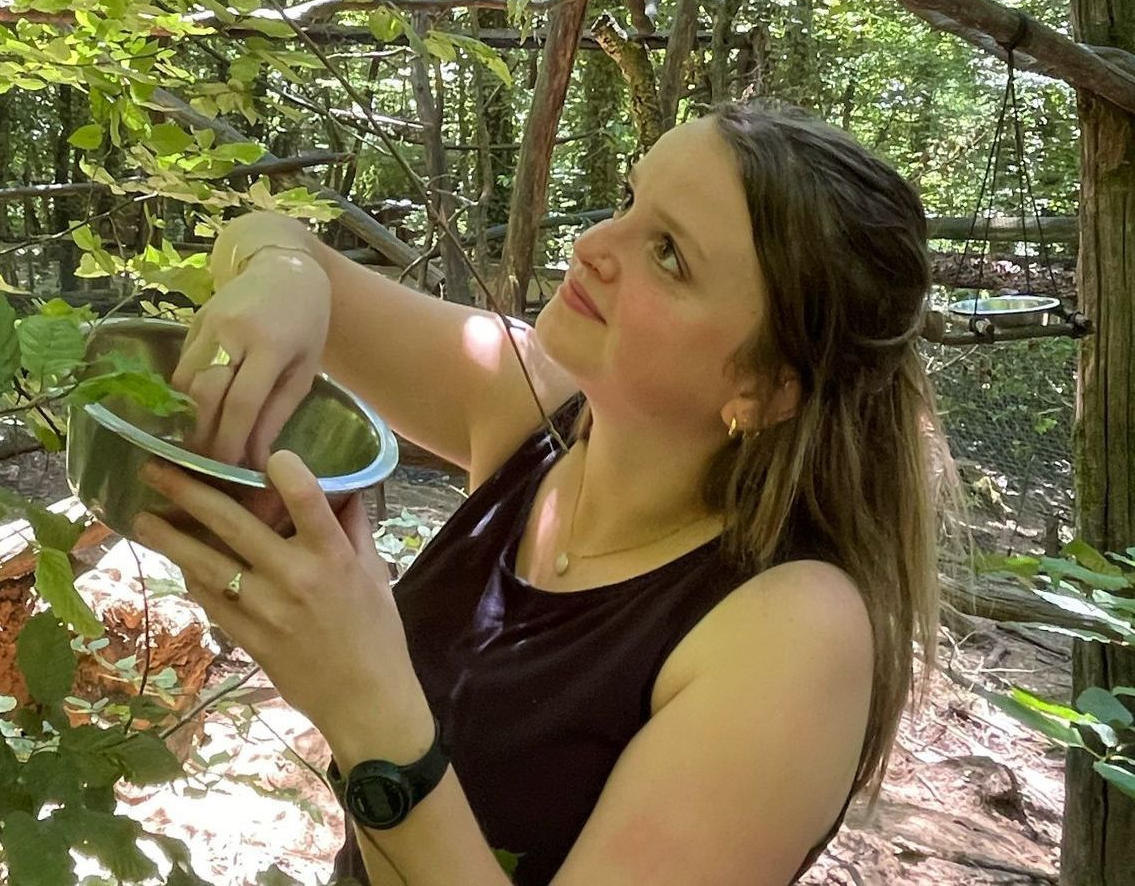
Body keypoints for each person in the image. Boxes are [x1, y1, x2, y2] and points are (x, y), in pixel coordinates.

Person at [125, 101, 963, 886]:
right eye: (629, 200)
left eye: (668, 252)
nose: (596, 242)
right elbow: (263, 235)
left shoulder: (792, 633)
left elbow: (375, 717)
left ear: (771, 385)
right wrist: (283, 273)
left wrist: (360, 695)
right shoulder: (530, 406)